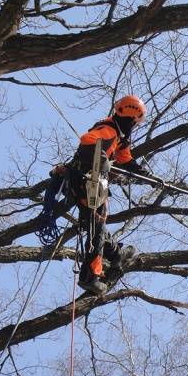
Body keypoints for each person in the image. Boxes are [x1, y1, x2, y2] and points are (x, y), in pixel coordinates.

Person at [64, 95, 153, 295]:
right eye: (135, 122)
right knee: (97, 224)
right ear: (131, 117)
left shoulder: (121, 138)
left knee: (98, 225)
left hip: (87, 185)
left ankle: (115, 254)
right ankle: (90, 276)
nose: (136, 125)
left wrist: (141, 172)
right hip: (85, 180)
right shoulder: (110, 130)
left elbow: (125, 158)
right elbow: (88, 141)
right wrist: (102, 158)